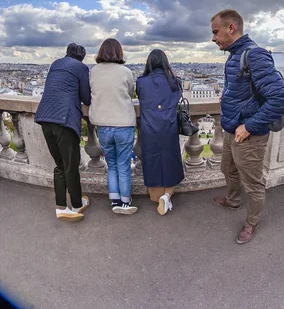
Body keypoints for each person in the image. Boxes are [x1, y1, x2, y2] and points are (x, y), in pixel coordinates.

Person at [210, 9, 284, 245]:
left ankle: (251, 222)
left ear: (231, 28)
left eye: (216, 32)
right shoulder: (236, 54)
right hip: (231, 129)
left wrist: (250, 126)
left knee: (253, 183)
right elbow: (244, 89)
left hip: (248, 135)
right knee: (228, 169)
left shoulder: (254, 55)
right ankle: (234, 200)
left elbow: (280, 99)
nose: (213, 38)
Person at [35, 43, 91, 221]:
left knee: (60, 165)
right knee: (71, 165)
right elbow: (86, 97)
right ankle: (76, 205)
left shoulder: (55, 64)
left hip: (44, 117)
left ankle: (60, 206)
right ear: (82, 57)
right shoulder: (81, 68)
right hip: (64, 120)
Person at [89, 38, 137, 215]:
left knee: (112, 165)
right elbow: (130, 92)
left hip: (103, 124)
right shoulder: (125, 72)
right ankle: (125, 201)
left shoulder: (94, 71)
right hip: (123, 123)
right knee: (123, 165)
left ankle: (114, 200)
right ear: (119, 52)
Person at [136, 49, 184, 216]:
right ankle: (167, 195)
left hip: (149, 127)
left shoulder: (141, 82)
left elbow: (142, 97)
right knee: (170, 160)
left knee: (152, 160)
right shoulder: (175, 81)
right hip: (169, 126)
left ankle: (156, 196)